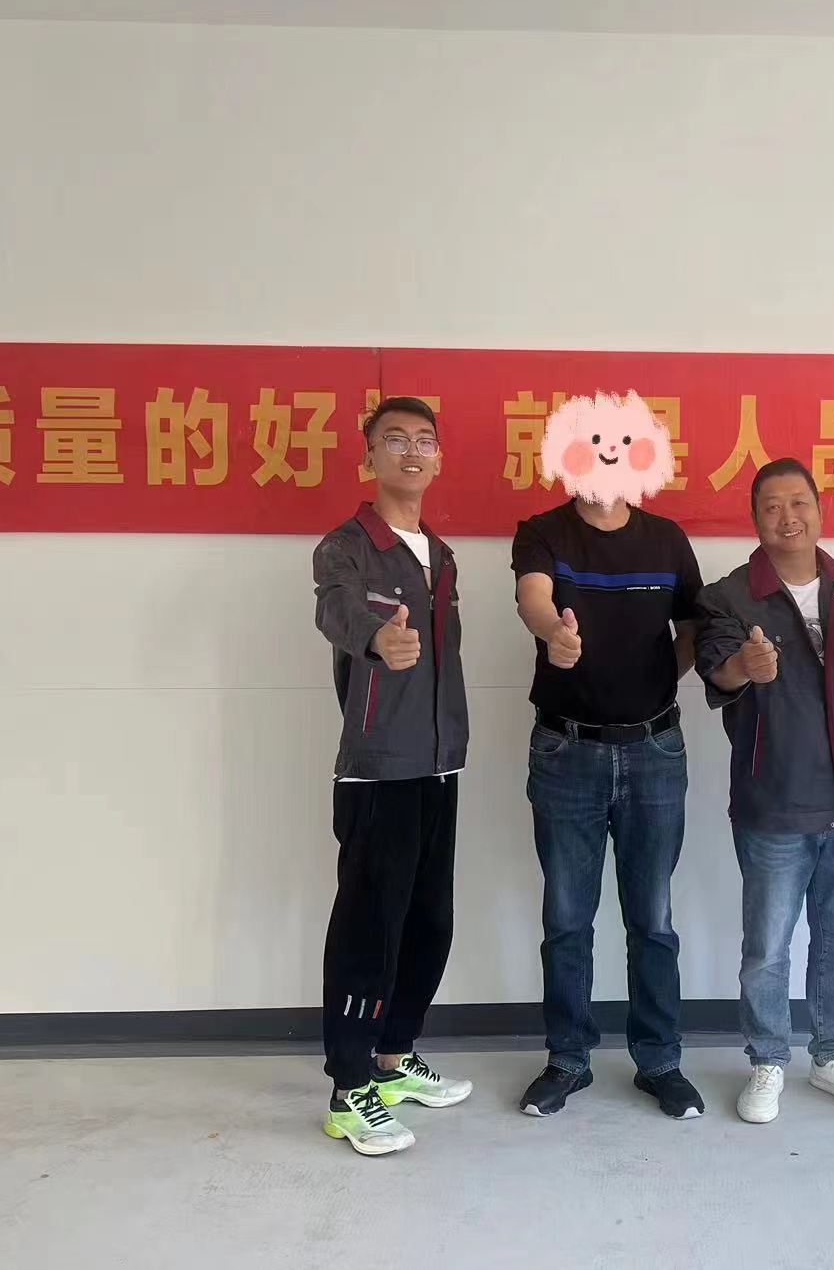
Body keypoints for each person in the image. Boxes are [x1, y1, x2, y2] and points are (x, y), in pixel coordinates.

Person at [511, 392, 706, 1120]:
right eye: (591, 443)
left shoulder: (666, 539)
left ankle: (660, 1062)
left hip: (654, 749)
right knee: (567, 918)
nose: (607, 456)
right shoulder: (543, 532)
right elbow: (532, 596)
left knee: (652, 918)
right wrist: (553, 635)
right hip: (567, 750)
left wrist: (656, 681)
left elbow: (692, 626)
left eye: (621, 443)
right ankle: (568, 1059)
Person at [696, 458, 834, 1124]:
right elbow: (716, 669)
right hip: (774, 802)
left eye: (799, 503)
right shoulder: (731, 596)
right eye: (772, 507)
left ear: (820, 510)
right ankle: (767, 1060)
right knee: (767, 950)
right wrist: (744, 665)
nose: (788, 518)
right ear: (755, 519)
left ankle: (831, 1056)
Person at [311, 397, 472, 1156]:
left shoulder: (440, 553)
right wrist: (378, 638)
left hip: (440, 761)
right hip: (379, 767)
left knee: (429, 921)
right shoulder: (346, 547)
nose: (412, 451)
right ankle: (349, 1090)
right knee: (369, 929)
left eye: (425, 441)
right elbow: (336, 613)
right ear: (368, 456)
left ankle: (392, 1057)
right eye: (395, 439)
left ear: (439, 458)